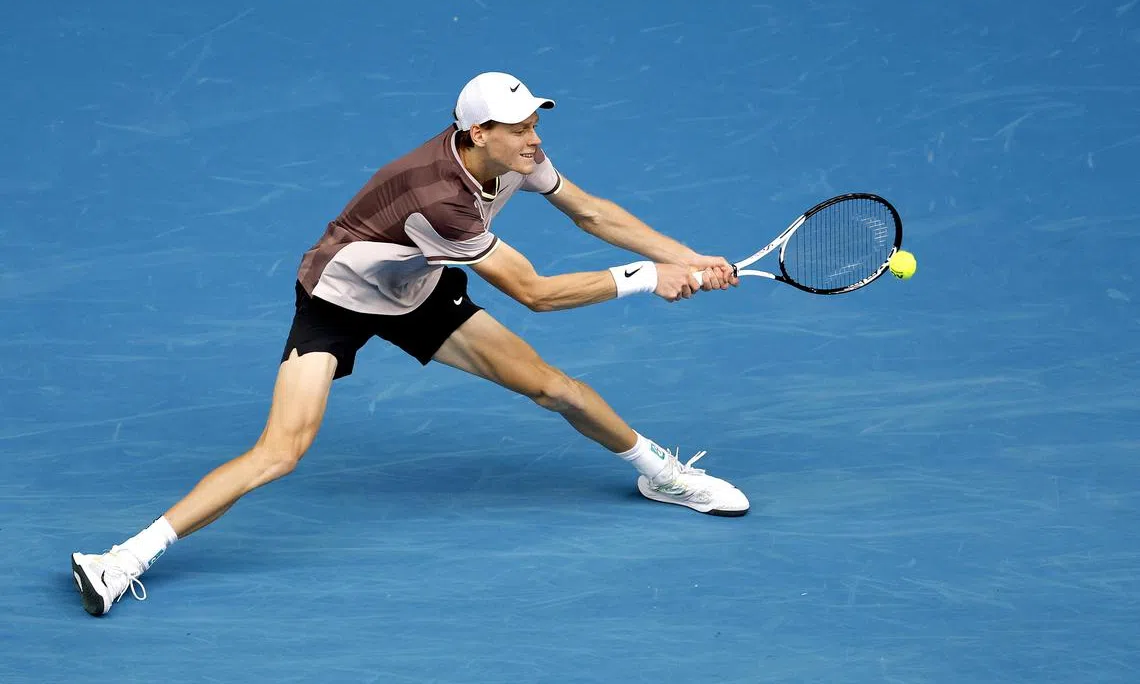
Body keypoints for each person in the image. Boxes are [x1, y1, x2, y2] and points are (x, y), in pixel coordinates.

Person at [70, 71, 748, 617]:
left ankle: (661, 475)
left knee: (552, 387)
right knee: (281, 451)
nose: (535, 139)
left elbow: (591, 211)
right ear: (478, 133)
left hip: (416, 289)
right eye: (520, 129)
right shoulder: (440, 200)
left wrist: (688, 257)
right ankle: (123, 558)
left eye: (537, 122)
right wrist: (646, 279)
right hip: (336, 300)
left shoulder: (513, 157)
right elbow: (535, 293)